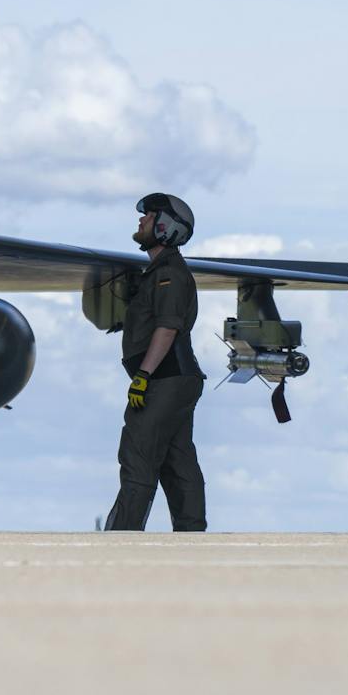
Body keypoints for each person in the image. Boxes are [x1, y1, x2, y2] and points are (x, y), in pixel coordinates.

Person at [105, 193, 207, 531]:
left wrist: (143, 375)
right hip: (174, 379)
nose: (141, 221)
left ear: (165, 227)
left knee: (139, 455)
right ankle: (191, 533)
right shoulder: (160, 272)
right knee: (176, 460)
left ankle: (122, 536)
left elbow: (167, 327)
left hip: (163, 379)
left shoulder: (169, 275)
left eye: (148, 216)